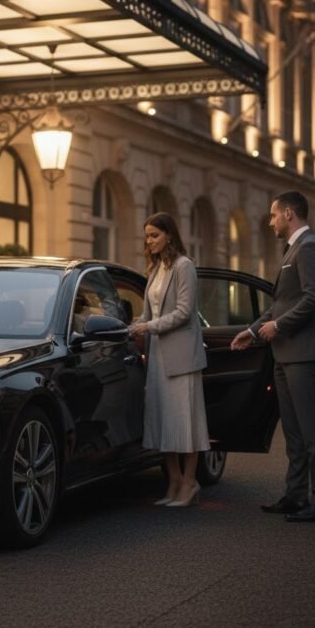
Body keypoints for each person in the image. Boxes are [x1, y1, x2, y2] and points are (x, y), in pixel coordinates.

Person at [231, 191, 315, 522]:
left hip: (304, 353)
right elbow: (283, 303)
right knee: (293, 431)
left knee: (312, 430)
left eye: (274, 215)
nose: (270, 221)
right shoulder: (293, 249)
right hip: (286, 354)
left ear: (289, 214)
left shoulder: (311, 248)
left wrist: (278, 325)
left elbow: (313, 299)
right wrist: (252, 331)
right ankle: (295, 495)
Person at [129, 212, 210, 507]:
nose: (149, 241)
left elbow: (184, 312)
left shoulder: (183, 266)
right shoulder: (155, 269)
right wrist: (126, 327)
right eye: (147, 236)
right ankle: (173, 481)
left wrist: (148, 327)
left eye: (154, 235)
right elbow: (146, 315)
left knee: (185, 423)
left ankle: (190, 483)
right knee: (163, 421)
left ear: (170, 236)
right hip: (158, 358)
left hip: (182, 357)